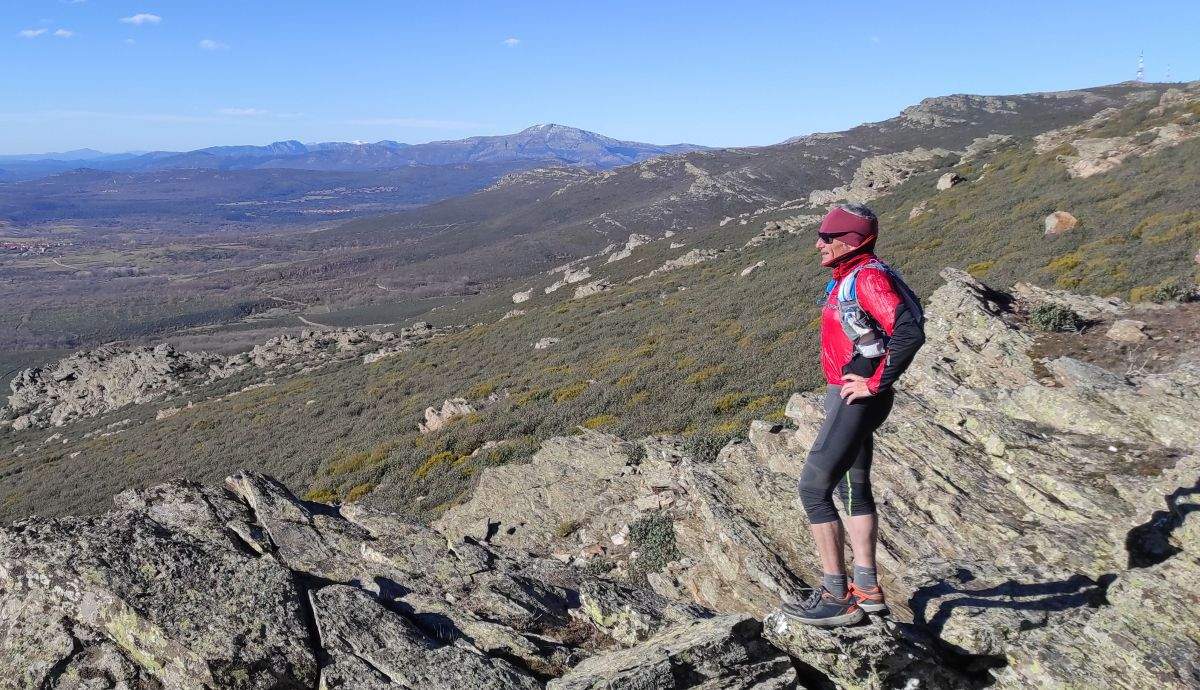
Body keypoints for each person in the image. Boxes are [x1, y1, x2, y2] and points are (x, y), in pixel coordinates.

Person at [781, 203, 926, 627]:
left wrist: (874, 383)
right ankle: (867, 588)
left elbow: (909, 331)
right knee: (852, 490)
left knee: (812, 488)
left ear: (853, 241)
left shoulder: (868, 278)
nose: (819, 243)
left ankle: (836, 595)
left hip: (855, 398)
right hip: (851, 395)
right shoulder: (852, 276)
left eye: (828, 237)